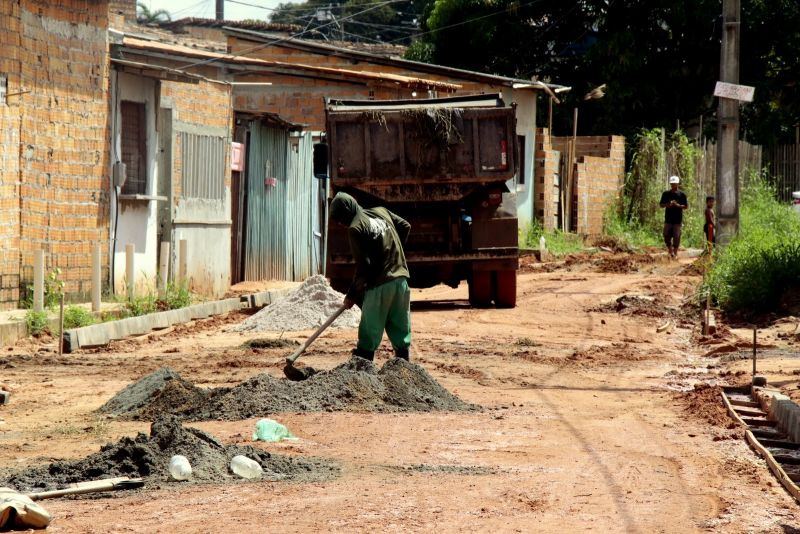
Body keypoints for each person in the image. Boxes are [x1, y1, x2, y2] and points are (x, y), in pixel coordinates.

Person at [329, 192, 412, 362]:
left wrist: (352, 295)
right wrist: (393, 252)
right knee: (401, 334)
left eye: (340, 219)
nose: (341, 224)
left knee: (368, 335)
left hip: (379, 286)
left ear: (346, 213)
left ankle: (363, 377)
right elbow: (405, 226)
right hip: (401, 280)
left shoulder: (356, 228)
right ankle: (405, 374)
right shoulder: (382, 211)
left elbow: (364, 267)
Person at [659, 175, 688, 259]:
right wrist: (669, 204)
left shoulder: (682, 195)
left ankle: (675, 253)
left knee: (676, 236)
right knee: (666, 234)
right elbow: (661, 204)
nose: (673, 185)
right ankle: (670, 249)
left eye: (674, 184)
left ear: (677, 184)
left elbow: (686, 206)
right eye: (672, 184)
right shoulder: (666, 194)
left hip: (677, 219)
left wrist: (677, 205)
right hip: (668, 218)